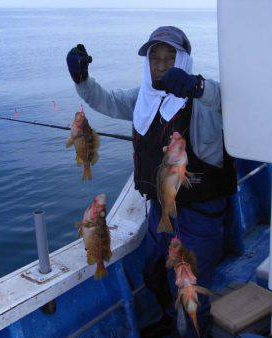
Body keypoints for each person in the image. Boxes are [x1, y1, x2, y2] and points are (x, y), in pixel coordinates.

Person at [67, 26, 237, 338]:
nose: (160, 65)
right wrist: (82, 81)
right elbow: (107, 101)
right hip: (161, 208)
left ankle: (193, 331)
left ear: (183, 60)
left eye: (169, 57)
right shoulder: (145, 97)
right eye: (154, 59)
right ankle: (170, 322)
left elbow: (230, 102)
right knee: (153, 272)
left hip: (200, 213)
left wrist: (197, 87)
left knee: (191, 290)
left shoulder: (203, 99)